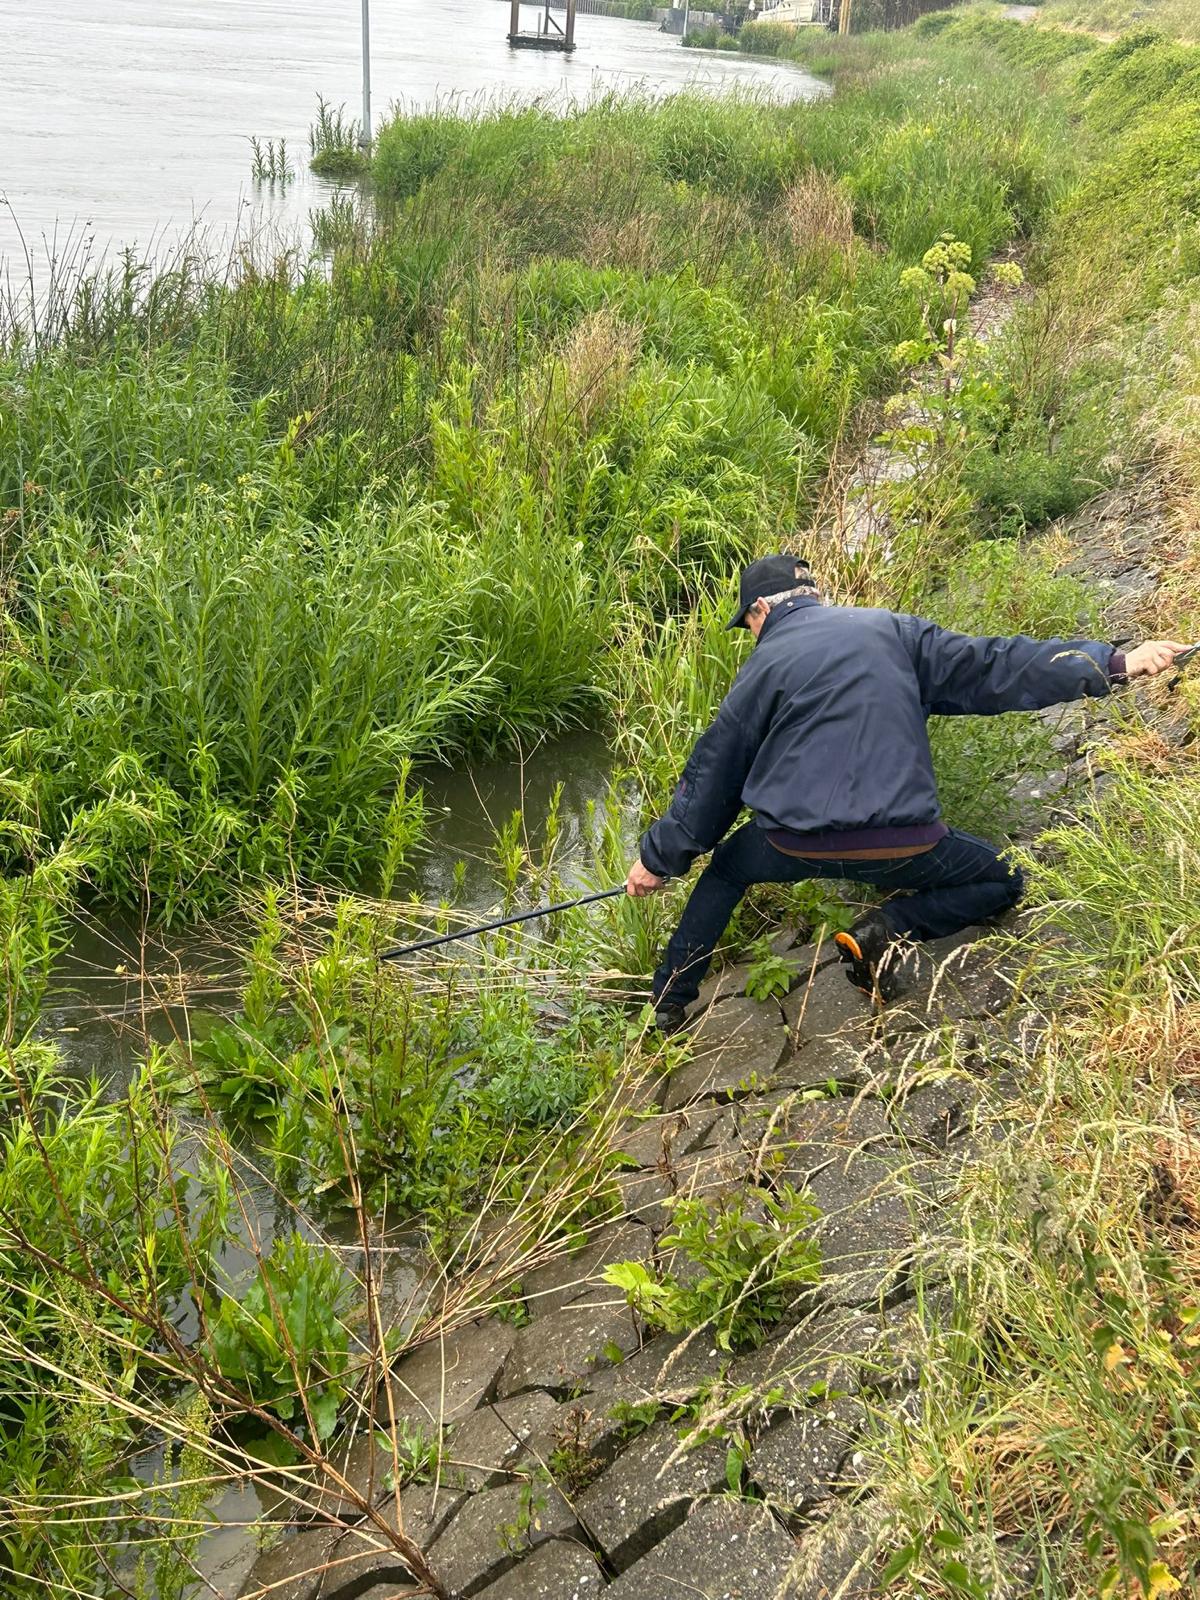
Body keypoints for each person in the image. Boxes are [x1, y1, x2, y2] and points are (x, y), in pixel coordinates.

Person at [626, 554, 1188, 1028]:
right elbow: (996, 665)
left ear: (762, 609)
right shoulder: (893, 630)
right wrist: (1113, 661)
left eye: (746, 623)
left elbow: (714, 776)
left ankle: (668, 1004)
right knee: (1004, 876)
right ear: (813, 594)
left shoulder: (764, 664)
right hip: (903, 841)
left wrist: (658, 861)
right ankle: (887, 928)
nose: (750, 634)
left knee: (725, 868)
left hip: (792, 842)